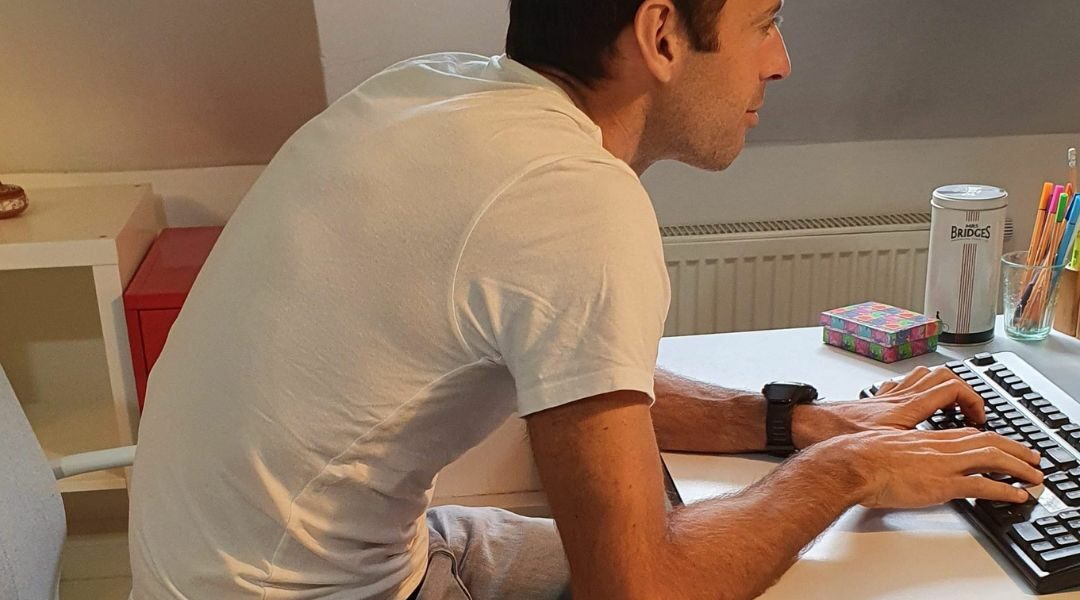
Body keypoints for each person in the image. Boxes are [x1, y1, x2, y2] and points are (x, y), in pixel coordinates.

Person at [128, 0, 1045, 598]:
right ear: (661, 36)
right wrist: (848, 471)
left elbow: (570, 373)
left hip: (252, 571)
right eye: (765, 22)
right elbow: (639, 591)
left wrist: (796, 425)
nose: (782, 62)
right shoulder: (571, 199)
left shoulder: (430, 90)